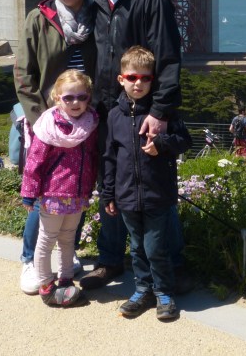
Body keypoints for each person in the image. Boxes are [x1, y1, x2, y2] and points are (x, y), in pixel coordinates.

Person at [81, 0, 184, 291]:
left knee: (155, 185)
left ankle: (171, 267)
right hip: (107, 111)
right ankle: (110, 260)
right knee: (111, 183)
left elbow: (168, 57)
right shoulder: (92, 0)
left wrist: (160, 111)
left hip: (146, 110)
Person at [13, 0, 96, 294]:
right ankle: (31, 260)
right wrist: (39, 121)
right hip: (49, 120)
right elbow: (22, 73)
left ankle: (67, 254)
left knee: (76, 189)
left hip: (86, 117)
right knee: (45, 194)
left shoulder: (98, 14)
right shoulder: (39, 18)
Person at [101, 46, 192, 320]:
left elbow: (184, 142)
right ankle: (142, 290)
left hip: (157, 195)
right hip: (127, 196)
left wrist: (162, 143)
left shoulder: (164, 115)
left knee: (155, 248)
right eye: (132, 77)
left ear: (153, 80)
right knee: (137, 248)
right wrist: (108, 194)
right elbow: (109, 157)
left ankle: (164, 292)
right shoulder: (114, 116)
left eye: (145, 78)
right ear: (121, 79)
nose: (138, 83)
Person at [20, 70, 98, 307]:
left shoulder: (90, 122)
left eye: (82, 97)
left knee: (68, 239)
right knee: (47, 239)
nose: (76, 103)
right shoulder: (48, 125)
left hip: (78, 193)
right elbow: (34, 160)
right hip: (53, 193)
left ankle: (65, 280)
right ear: (57, 97)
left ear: (89, 98)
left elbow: (93, 157)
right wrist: (29, 192)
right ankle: (46, 284)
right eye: (69, 98)